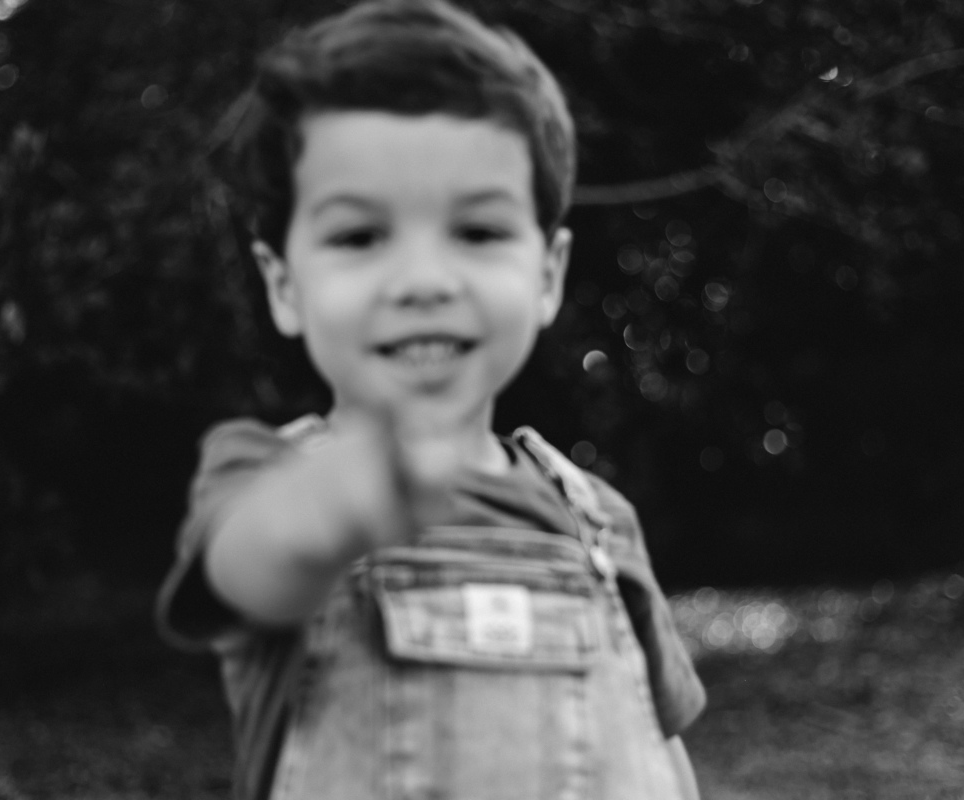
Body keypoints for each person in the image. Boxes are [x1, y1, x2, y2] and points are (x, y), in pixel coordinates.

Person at [156, 1, 706, 797]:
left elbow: (661, 747)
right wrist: (330, 508)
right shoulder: (264, 476)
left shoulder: (598, 519)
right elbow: (254, 566)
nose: (423, 281)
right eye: (359, 237)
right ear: (284, 285)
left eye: (477, 232)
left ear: (547, 274)